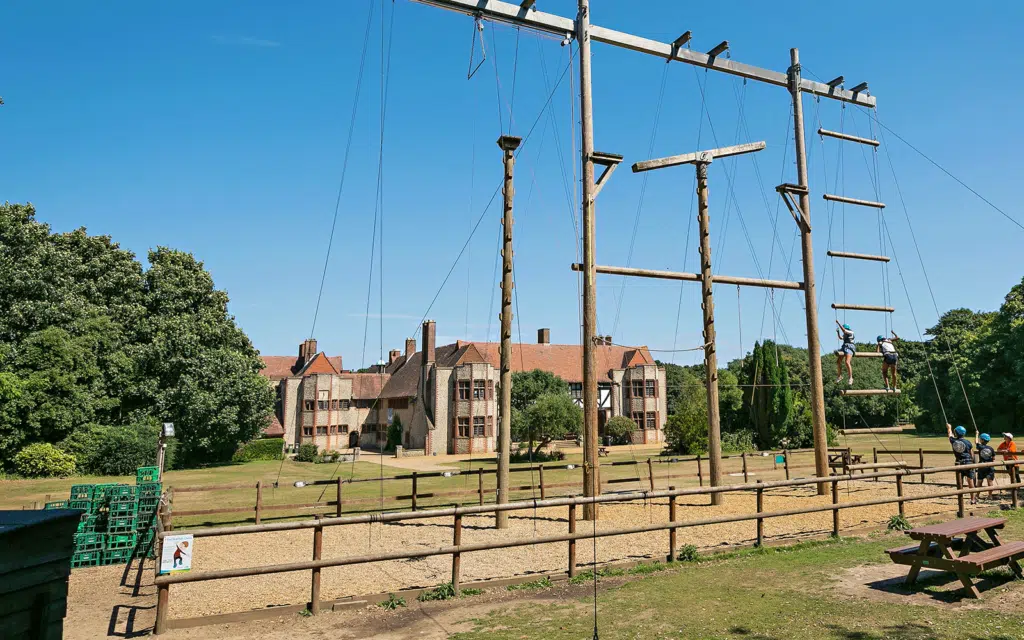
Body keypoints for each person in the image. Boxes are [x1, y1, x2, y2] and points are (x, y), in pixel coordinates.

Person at [947, 423, 977, 505]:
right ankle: (973, 499)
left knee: (960, 481)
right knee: (970, 481)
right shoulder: (968, 442)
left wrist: (949, 427)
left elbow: (949, 434)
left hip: (959, 463)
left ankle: (961, 500)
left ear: (956, 433)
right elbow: (972, 454)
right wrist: (973, 463)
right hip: (968, 462)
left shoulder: (954, 441)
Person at [976, 429, 997, 499]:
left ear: (982, 440)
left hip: (982, 466)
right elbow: (993, 458)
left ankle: (977, 495)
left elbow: (976, 442)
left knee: (979, 481)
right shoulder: (991, 448)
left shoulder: (980, 447)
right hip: (990, 466)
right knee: (990, 481)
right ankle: (990, 495)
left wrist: (976, 434)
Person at [835, 320, 855, 385]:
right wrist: (838, 332)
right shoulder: (845, 334)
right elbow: (841, 338)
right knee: (838, 361)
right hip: (844, 347)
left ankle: (850, 378)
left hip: (849, 346)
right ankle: (839, 376)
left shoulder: (850, 332)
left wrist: (838, 323)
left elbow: (844, 330)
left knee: (847, 362)